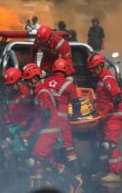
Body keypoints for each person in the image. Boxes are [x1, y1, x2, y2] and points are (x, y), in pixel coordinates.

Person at [44, 59, 83, 188]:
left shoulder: (45, 82)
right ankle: (77, 176)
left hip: (48, 122)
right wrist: (76, 115)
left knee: (49, 149)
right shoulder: (69, 85)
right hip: (62, 122)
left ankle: (53, 177)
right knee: (68, 149)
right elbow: (76, 104)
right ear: (65, 70)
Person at [87, 53, 122, 182]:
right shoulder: (100, 80)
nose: (92, 71)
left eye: (94, 68)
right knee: (101, 144)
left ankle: (114, 172)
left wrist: (104, 112)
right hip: (104, 116)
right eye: (91, 69)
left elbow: (117, 98)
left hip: (114, 116)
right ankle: (104, 170)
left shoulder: (108, 79)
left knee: (109, 144)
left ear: (101, 66)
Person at [21, 63, 60, 179]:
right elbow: (36, 115)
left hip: (49, 131)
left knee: (34, 159)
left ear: (34, 79)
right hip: (47, 131)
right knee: (49, 162)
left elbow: (42, 118)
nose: (26, 84)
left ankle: (37, 181)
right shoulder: (38, 93)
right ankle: (71, 181)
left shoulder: (42, 93)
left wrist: (29, 132)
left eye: (27, 80)